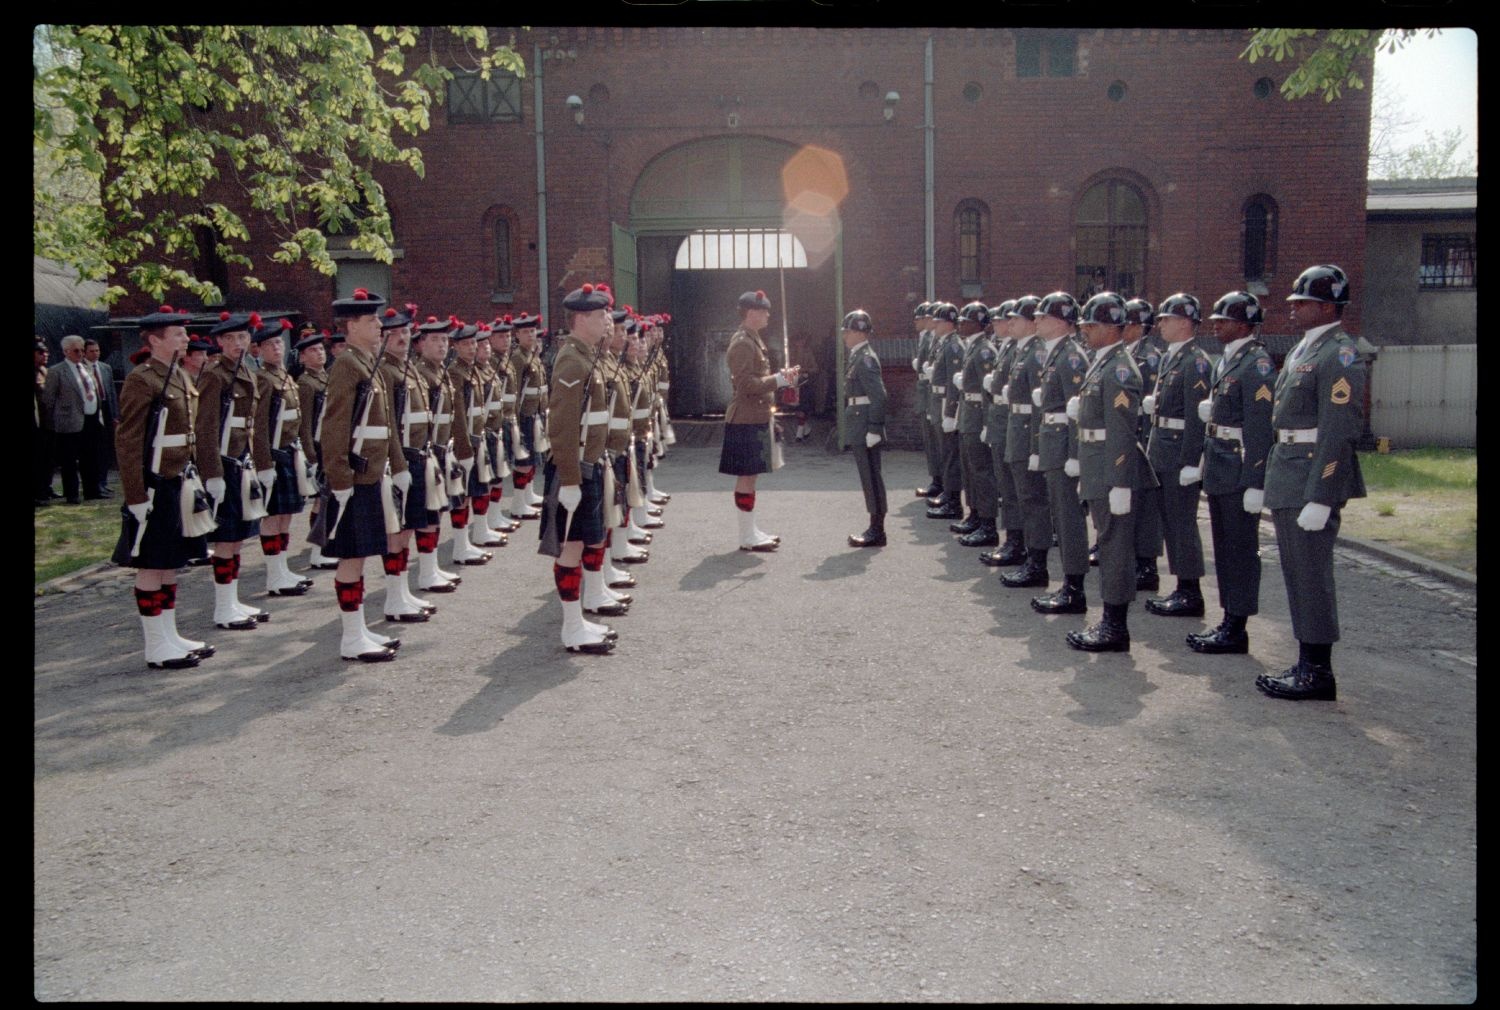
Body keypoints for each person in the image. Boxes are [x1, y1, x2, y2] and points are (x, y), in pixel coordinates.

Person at [1256, 265, 1367, 701]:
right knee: (1296, 573)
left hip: (1310, 478)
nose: (1294, 309)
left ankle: (1318, 670)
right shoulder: (1307, 350)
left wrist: (1322, 493)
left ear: (1327, 306)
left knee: (1311, 575)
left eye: (1302, 303)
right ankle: (1306, 661)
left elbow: (1339, 430)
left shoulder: (1339, 354)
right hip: (1289, 471)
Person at [109, 305, 214, 669]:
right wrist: (136, 496)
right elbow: (129, 441)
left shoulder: (179, 376)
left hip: (178, 481)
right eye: (178, 334)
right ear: (155, 340)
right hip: (154, 484)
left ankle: (169, 634)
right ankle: (155, 644)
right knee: (152, 563)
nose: (186, 339)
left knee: (171, 561)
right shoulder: (143, 378)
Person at [318, 288, 407, 662]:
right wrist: (339, 482)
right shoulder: (346, 366)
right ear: (352, 325)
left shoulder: (366, 362)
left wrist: (398, 467)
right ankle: (351, 637)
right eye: (371, 320)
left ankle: (359, 630)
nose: (379, 325)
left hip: (371, 475)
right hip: (353, 479)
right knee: (351, 557)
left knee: (362, 555)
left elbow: (385, 428)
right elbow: (334, 427)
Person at [1188, 291, 1276, 655]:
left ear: (1243, 324)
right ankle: (1228, 620)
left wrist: (1256, 481)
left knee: (1240, 549)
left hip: (1240, 468)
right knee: (1223, 548)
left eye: (1223, 320)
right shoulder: (1229, 359)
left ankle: (1237, 626)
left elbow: (1259, 427)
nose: (1216, 325)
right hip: (1222, 464)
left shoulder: (1256, 363)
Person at [1066, 293, 1151, 651]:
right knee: (1108, 539)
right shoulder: (1103, 362)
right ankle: (1110, 621)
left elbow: (1121, 429)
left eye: (1092, 325)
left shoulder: (1118, 367)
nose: (1085, 330)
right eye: (1084, 324)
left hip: (1109, 468)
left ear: (1114, 327)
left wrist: (1119, 481)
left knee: (1115, 546)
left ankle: (1115, 626)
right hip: (1096, 462)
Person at [539, 283, 619, 653]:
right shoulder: (572, 360)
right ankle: (571, 628)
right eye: (602, 315)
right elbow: (562, 425)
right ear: (583, 318)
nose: (608, 321)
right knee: (570, 549)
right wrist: (570, 479)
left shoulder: (586, 355)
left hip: (589, 465)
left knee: (587, 539)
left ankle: (579, 619)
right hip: (576, 470)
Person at [196, 311, 269, 629]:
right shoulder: (215, 375)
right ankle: (223, 607)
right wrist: (212, 473)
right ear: (220, 343)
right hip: (224, 463)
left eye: (243, 337)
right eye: (231, 339)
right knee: (226, 538)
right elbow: (206, 427)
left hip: (241, 461)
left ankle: (232, 600)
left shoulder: (248, 371)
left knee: (238, 537)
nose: (238, 343)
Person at [1143, 294, 1213, 618]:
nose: (1161, 324)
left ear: (1185, 322)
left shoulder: (1195, 361)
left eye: (1167, 318)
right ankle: (1181, 587)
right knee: (1170, 522)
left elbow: (1196, 419)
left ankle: (1190, 591)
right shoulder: (1173, 357)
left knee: (1182, 523)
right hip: (1163, 448)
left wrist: (1190, 462)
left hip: (1177, 452)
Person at [719, 289, 798, 551]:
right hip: (745, 418)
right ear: (751, 313)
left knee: (751, 476)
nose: (767, 314)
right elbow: (745, 385)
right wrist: (778, 380)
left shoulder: (753, 340)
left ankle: (750, 531)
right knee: (746, 476)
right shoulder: (743, 342)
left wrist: (780, 377)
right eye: (763, 310)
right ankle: (746, 536)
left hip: (755, 416)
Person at [1028, 292, 1091, 615]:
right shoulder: (1055, 354)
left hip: (1064, 445)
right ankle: (1068, 583)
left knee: (1069, 518)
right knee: (1060, 516)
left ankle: (1075, 588)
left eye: (1043, 316)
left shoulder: (1071, 356)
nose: (1036, 320)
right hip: (1053, 443)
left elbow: (1079, 412)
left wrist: (1075, 455)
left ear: (1062, 322)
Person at [374, 304, 436, 623]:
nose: (401, 338)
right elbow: (389, 423)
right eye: (393, 333)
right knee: (395, 530)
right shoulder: (385, 369)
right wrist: (396, 464)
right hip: (400, 456)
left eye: (405, 332)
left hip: (416, 453)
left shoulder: (407, 366)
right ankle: (393, 597)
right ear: (382, 338)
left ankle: (402, 592)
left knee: (409, 526)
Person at [250, 318, 314, 598]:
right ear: (259, 350)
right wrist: (264, 464)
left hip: (289, 451)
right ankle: (274, 574)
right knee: (273, 516)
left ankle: (283, 568)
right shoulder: (263, 379)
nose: (276, 348)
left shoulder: (285, 376)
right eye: (269, 344)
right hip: (274, 454)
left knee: (287, 515)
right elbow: (260, 426)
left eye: (279, 343)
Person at [999, 296, 1053, 589]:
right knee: (1018, 494)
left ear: (1032, 322)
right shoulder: (1023, 351)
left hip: (1026, 432)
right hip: (1015, 428)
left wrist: (1035, 447)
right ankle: (1019, 545)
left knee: (1033, 500)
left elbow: (1039, 406)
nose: (1010, 324)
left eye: (1016, 319)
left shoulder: (1036, 354)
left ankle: (1037, 562)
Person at [410, 316, 462, 594]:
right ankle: (426, 572)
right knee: (428, 513)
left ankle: (432, 568)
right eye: (434, 340)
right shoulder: (423, 374)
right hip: (427, 452)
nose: (442, 344)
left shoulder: (440, 372)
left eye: (444, 339)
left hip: (443, 449)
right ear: (420, 344)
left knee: (438, 510)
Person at [979, 301, 1027, 566]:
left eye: (1008, 320)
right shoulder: (1009, 348)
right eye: (1000, 321)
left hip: (1016, 421)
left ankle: (1018, 542)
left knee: (1016, 489)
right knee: (1007, 487)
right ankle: (1012, 539)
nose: (1002, 325)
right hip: (1003, 419)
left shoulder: (1024, 349)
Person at [1122, 298, 1165, 591]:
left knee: (1146, 505)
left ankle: (1147, 564)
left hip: (1142, 435)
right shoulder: (1126, 353)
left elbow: (1149, 405)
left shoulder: (1149, 356)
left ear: (1138, 326)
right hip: (1129, 435)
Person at [952, 302, 1000, 546]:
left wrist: (985, 424)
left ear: (977, 324)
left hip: (977, 414)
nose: (961, 324)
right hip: (968, 413)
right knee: (971, 470)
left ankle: (988, 523)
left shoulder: (984, 350)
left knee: (982, 472)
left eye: (965, 320)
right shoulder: (973, 347)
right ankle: (975, 514)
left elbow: (987, 391)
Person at [445, 322, 493, 566]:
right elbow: (459, 414)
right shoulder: (456, 372)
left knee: (478, 487)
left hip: (477, 436)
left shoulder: (472, 369)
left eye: (474, 343)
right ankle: (460, 545)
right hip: (466, 442)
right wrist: (464, 449)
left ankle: (477, 534)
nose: (472, 347)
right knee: (461, 494)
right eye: (466, 344)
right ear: (455, 347)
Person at [841, 310, 889, 547]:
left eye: (848, 331)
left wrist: (874, 427)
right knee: (867, 476)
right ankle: (875, 527)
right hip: (859, 422)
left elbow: (879, 396)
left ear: (859, 332)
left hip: (865, 424)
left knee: (871, 477)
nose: (845, 336)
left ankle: (877, 529)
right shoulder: (857, 356)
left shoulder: (865, 358)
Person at [41, 334, 107, 504]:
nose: (80, 353)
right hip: (68, 422)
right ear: (66, 351)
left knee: (90, 457)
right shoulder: (57, 371)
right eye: (76, 350)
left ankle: (92, 491)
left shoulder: (86, 368)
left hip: (90, 418)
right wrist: (54, 422)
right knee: (69, 460)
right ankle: (72, 494)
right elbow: (48, 399)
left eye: (82, 350)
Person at [295, 329, 338, 570]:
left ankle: (325, 544)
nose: (319, 353)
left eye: (321, 349)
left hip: (329, 445)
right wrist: (310, 454)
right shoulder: (306, 383)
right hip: (317, 447)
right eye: (312, 350)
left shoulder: (326, 378)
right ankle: (317, 549)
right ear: (302, 357)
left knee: (329, 498)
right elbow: (306, 422)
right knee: (321, 500)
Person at [926, 302, 966, 520]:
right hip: (938, 399)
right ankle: (948, 494)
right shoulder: (944, 344)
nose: (935, 324)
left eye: (939, 321)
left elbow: (953, 382)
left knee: (950, 454)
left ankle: (953, 500)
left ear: (950, 323)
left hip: (945, 402)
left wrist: (950, 412)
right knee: (945, 452)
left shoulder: (953, 345)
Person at [509, 313, 547, 518]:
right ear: (518, 335)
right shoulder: (518, 357)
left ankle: (528, 494)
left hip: (536, 413)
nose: (531, 335)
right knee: (523, 461)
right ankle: (518, 502)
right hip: (524, 414)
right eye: (526, 332)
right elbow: (515, 390)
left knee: (532, 457)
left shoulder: (533, 355)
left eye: (533, 331)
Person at [909, 303, 943, 500]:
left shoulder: (934, 338)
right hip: (925, 390)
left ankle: (940, 482)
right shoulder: (926, 337)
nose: (917, 321)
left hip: (932, 392)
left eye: (921, 318)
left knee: (937, 442)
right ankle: (936, 479)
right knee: (930, 441)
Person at [83, 338, 117, 496]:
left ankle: (103, 481)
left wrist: (116, 415)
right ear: (85, 352)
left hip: (107, 409)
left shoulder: (105, 368)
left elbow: (111, 392)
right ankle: (95, 483)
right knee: (93, 449)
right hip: (92, 411)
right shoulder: (82, 369)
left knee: (106, 449)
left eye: (97, 351)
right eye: (92, 351)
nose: (95, 354)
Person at [35, 338, 59, 505]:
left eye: (46, 352)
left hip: (48, 423)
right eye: (40, 352)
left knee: (48, 458)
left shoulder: (45, 371)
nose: (45, 355)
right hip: (36, 424)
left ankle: (46, 487)